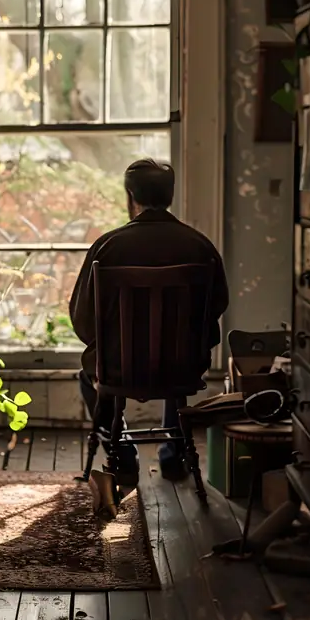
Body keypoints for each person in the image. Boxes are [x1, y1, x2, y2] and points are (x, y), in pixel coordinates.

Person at [69, 158, 229, 483]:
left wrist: (114, 345)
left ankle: (124, 457)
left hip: (118, 368)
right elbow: (217, 306)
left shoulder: (108, 246)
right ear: (170, 195)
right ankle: (172, 455)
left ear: (131, 196)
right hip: (183, 367)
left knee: (90, 374)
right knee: (177, 360)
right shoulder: (200, 246)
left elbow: (81, 318)